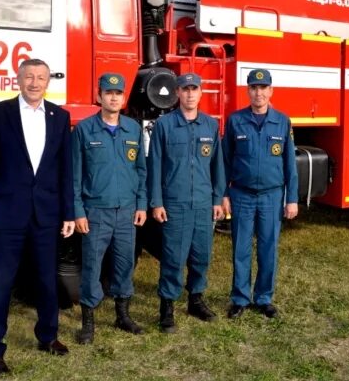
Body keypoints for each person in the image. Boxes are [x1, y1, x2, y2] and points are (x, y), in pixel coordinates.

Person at [0, 58, 75, 377]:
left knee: (47, 281)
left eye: (41, 77)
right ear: (17, 79)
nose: (34, 82)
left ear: (48, 82)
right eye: (29, 76)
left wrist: (68, 212)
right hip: (6, 217)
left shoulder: (60, 116)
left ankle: (47, 336)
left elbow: (65, 169)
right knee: (1, 284)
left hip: (46, 215)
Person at [147, 73, 225, 333]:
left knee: (201, 255)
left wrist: (217, 198)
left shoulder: (210, 126)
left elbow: (217, 166)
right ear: (177, 93)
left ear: (201, 93)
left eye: (195, 89)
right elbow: (154, 165)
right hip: (175, 204)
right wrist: (156, 202)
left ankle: (196, 300)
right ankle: (167, 308)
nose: (190, 94)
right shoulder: (165, 125)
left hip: (203, 204)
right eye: (185, 89)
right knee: (173, 257)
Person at [72, 73, 147, 343]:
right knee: (92, 266)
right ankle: (88, 324)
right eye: (108, 92)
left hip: (126, 212)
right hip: (96, 212)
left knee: (125, 264)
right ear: (99, 96)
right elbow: (75, 175)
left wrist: (141, 204)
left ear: (124, 97)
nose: (114, 97)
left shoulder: (133, 129)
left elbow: (141, 170)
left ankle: (122, 316)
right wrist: (78, 211)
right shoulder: (84, 130)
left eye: (118, 93)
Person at [222, 68, 298, 320]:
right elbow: (224, 161)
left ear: (271, 91)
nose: (259, 93)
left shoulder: (282, 121)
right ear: (248, 91)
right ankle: (240, 299)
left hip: (271, 196)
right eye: (254, 88)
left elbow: (290, 164)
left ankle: (264, 297)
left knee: (268, 248)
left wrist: (292, 198)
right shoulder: (235, 121)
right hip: (241, 194)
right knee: (240, 248)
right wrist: (224, 194)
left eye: (263, 88)